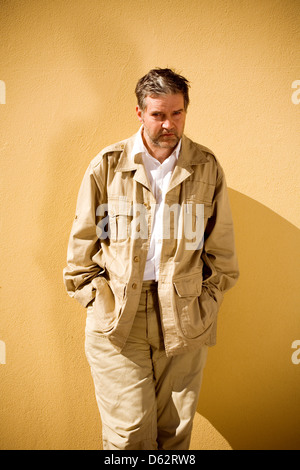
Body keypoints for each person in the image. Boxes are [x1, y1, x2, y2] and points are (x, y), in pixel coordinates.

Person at [63, 68, 239, 450]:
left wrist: (206, 302)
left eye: (177, 113)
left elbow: (222, 256)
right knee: (129, 437)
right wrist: (97, 301)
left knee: (174, 437)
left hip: (184, 314)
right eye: (158, 114)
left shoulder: (206, 167)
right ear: (140, 113)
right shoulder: (108, 167)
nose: (168, 124)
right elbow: (80, 253)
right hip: (119, 317)